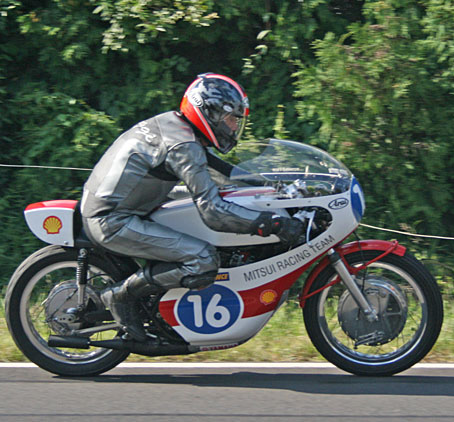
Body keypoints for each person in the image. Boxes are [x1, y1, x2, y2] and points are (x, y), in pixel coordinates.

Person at [80, 73, 304, 342]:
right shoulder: (183, 145)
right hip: (112, 219)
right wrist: (272, 224)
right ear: (207, 113)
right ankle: (119, 297)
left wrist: (277, 188)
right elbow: (213, 212)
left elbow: (225, 173)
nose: (234, 127)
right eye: (231, 119)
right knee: (203, 259)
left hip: (128, 207)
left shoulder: (176, 126)